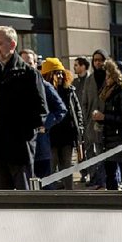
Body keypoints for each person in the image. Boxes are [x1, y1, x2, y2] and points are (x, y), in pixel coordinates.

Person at [0, 26, 47, 190]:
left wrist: (24, 134)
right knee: (1, 201)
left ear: (12, 45)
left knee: (24, 199)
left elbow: (41, 111)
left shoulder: (28, 74)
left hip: (19, 150)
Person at [92, 60, 122, 190]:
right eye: (106, 76)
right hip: (109, 138)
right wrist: (99, 118)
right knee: (110, 175)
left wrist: (104, 117)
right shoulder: (107, 91)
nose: (107, 79)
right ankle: (113, 202)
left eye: (109, 76)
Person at [43, 58, 83, 190]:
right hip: (50, 136)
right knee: (51, 168)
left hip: (67, 136)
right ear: (48, 74)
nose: (60, 76)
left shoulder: (69, 90)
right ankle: (53, 197)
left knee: (67, 167)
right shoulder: (44, 91)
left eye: (61, 72)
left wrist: (80, 128)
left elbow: (77, 110)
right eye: (56, 73)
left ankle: (69, 194)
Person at [33, 62, 67, 181]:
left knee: (46, 183)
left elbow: (61, 109)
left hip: (41, 145)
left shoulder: (44, 85)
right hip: (23, 150)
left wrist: (44, 125)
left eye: (29, 63)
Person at [81, 49, 109, 188]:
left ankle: (107, 180)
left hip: (108, 122)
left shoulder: (110, 78)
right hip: (92, 124)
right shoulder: (89, 80)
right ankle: (96, 178)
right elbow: (84, 102)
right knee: (93, 153)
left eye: (100, 60)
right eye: (95, 60)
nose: (98, 62)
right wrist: (87, 120)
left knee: (106, 153)